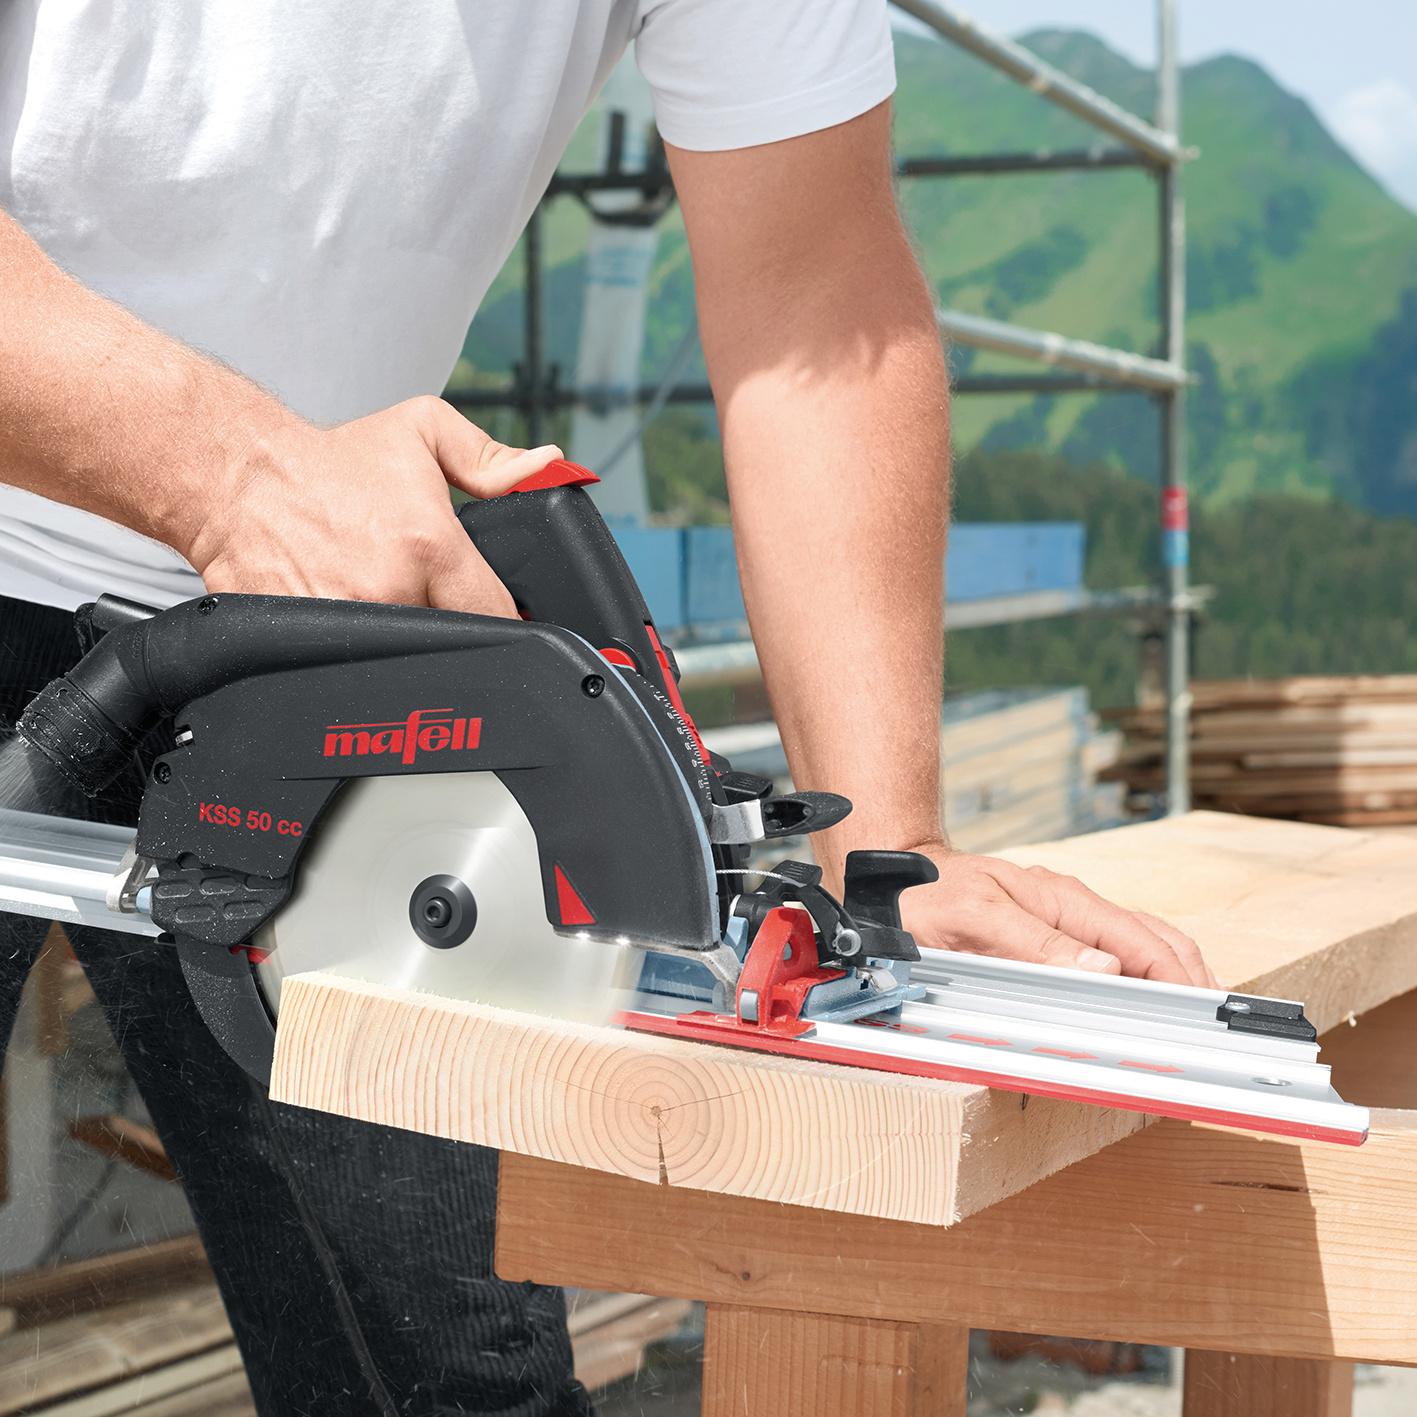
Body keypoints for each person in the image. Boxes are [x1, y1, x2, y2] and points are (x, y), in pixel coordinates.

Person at [0, 2, 1217, 1412]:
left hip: (314, 598)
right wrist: (236, 476)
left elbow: (813, 294)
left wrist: (885, 843)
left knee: (453, 1369)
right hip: (242, 516)